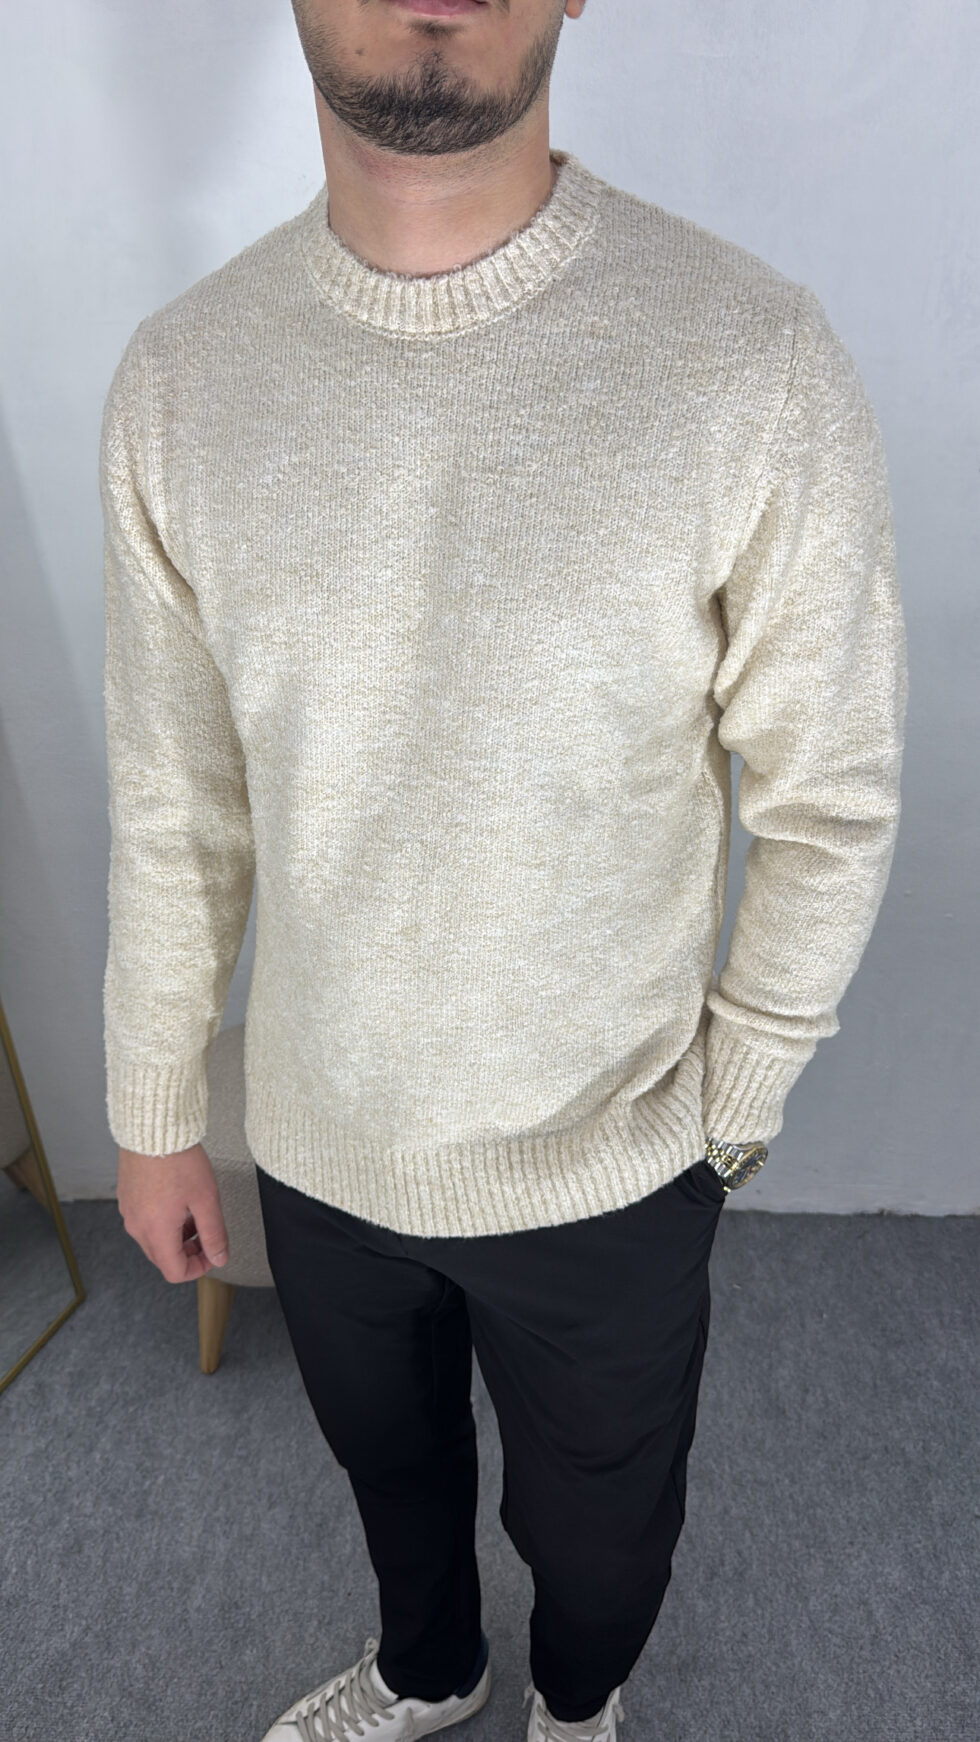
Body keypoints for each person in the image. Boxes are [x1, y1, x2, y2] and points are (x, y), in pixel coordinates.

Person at [104, 2, 908, 1739]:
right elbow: (178, 796)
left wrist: (735, 1102)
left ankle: (577, 1702)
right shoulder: (182, 381)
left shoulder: (748, 359)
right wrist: (158, 1098)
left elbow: (831, 792)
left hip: (614, 1148)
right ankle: (429, 1668)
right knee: (390, 1474)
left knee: (602, 1538)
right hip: (322, 1138)